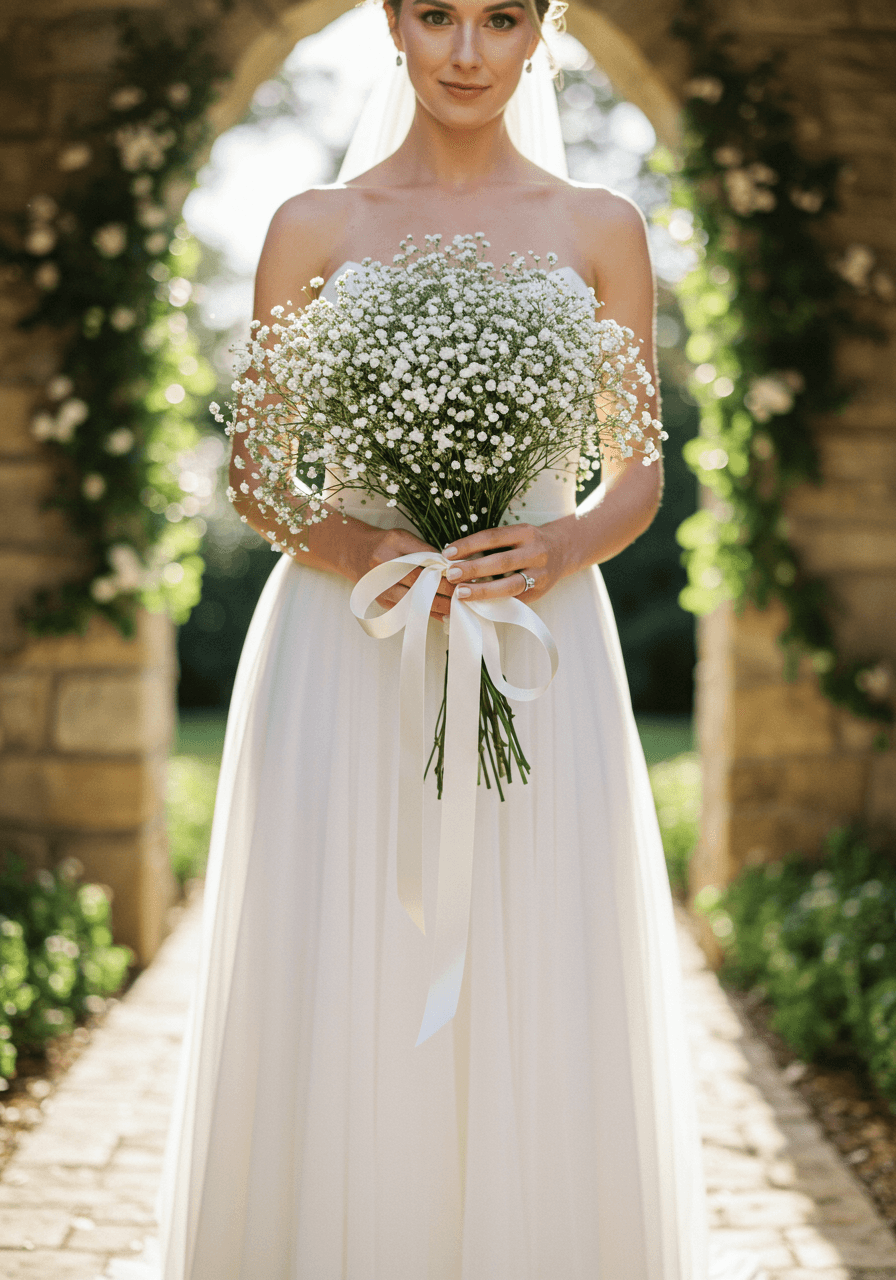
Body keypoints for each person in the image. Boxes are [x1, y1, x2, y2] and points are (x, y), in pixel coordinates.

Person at [157, 1, 760, 1276]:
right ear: (390, 23)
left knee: (532, 955)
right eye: (434, 12)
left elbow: (636, 479)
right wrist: (362, 550)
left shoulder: (601, 226)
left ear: (539, 31)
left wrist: (556, 546)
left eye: (499, 15)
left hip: (538, 647)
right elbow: (259, 478)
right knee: (345, 947)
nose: (466, 49)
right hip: (348, 645)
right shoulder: (310, 227)